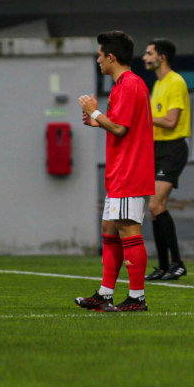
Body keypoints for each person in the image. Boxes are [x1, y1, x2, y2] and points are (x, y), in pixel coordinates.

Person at [75, 31, 155, 312]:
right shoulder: (125, 84)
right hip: (121, 169)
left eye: (100, 55)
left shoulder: (130, 85)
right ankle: (104, 294)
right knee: (110, 228)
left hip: (129, 170)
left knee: (127, 228)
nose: (98, 60)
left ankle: (137, 297)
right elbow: (122, 126)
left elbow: (121, 129)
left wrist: (95, 113)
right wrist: (99, 122)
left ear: (111, 56)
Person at [142, 38, 192, 281]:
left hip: (173, 148)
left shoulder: (175, 82)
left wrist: (143, 117)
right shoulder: (158, 84)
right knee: (154, 210)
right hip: (156, 148)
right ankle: (163, 266)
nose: (144, 58)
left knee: (155, 205)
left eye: (149, 53)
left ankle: (178, 263)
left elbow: (171, 122)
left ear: (161, 57)